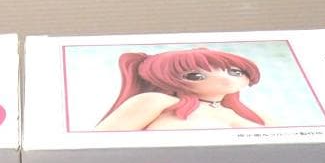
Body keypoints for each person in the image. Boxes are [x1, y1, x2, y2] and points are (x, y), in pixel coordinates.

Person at [95, 48, 266, 131]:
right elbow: (100, 145)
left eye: (235, 72)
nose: (225, 78)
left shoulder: (249, 113)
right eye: (196, 76)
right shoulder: (157, 101)